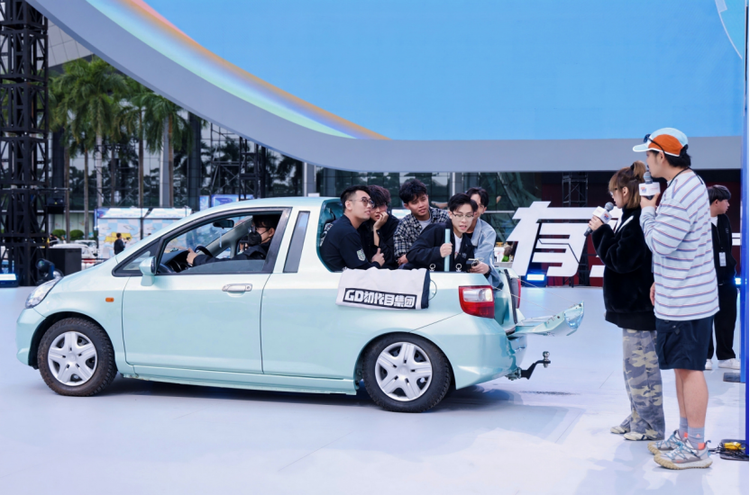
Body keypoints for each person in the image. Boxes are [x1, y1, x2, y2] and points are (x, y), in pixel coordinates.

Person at [634, 128, 717, 470]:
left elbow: (661, 243)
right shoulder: (683, 186)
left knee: (690, 369)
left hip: (688, 299)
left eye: (648, 155)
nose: (646, 162)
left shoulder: (682, 191)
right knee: (683, 368)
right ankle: (685, 436)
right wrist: (661, 278)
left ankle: (696, 445)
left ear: (661, 156)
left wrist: (646, 212)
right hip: (680, 294)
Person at [588, 161, 664, 443]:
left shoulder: (638, 220)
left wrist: (601, 231)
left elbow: (621, 260)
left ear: (625, 191)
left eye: (614, 191)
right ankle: (637, 417)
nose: (611, 196)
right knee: (633, 370)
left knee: (643, 371)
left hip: (639, 309)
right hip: (632, 310)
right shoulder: (631, 218)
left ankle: (651, 425)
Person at [405, 193, 492, 279]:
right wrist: (438, 252)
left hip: (445, 284)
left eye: (468, 215)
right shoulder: (437, 230)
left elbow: (467, 273)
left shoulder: (467, 242)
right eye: (459, 215)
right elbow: (412, 254)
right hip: (419, 282)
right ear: (450, 214)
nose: (464, 220)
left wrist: (485, 270)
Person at [705, 185, 740, 370]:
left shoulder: (725, 220)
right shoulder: (699, 222)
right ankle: (705, 356)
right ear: (716, 202)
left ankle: (726, 356)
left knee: (727, 319)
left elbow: (727, 247)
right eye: (726, 201)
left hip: (726, 281)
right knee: (705, 320)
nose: (728, 204)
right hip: (706, 281)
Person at [320, 185, 385, 271]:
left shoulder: (340, 225)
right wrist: (377, 263)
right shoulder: (347, 232)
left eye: (370, 202)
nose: (369, 206)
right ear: (348, 205)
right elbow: (362, 272)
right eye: (364, 201)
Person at [393, 179, 449, 266]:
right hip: (416, 272)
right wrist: (437, 252)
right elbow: (402, 260)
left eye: (423, 199)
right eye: (415, 202)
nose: (421, 205)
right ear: (407, 206)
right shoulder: (404, 225)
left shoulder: (443, 217)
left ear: (427, 197)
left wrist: (415, 255)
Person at [186, 214, 278, 266]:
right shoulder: (271, 249)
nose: (252, 232)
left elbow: (228, 266)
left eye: (256, 228)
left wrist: (196, 259)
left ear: (270, 232)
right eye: (252, 228)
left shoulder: (259, 253)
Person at [465, 187, 501, 287]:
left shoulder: (488, 232)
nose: (475, 208)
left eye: (480, 206)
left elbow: (475, 263)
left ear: (484, 210)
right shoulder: (450, 226)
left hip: (477, 281)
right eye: (472, 203)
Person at [358, 185, 399, 269]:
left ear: (387, 205)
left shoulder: (394, 224)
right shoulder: (361, 223)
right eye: (373, 206)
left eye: (381, 205)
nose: (378, 210)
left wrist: (376, 229)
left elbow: (388, 259)